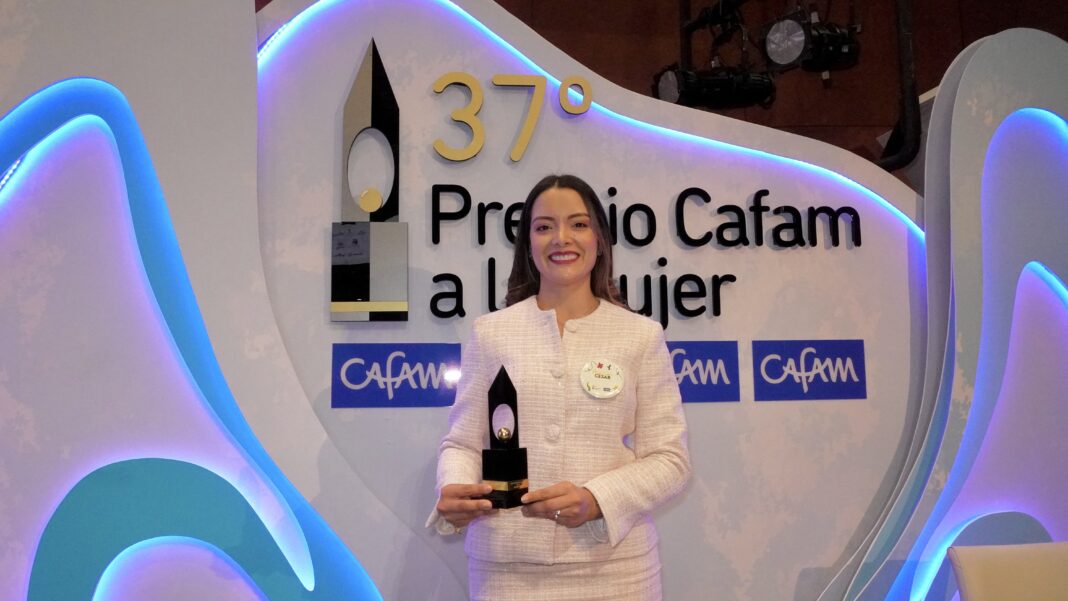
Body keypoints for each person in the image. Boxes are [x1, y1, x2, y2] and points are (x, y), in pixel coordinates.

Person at [427, 174, 690, 600]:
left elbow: (669, 460)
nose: (561, 238)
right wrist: (454, 489)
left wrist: (595, 498)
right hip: (506, 569)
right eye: (544, 226)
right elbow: (462, 443)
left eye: (578, 224)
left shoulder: (640, 335)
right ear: (528, 243)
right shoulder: (491, 332)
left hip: (615, 569)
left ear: (599, 240)